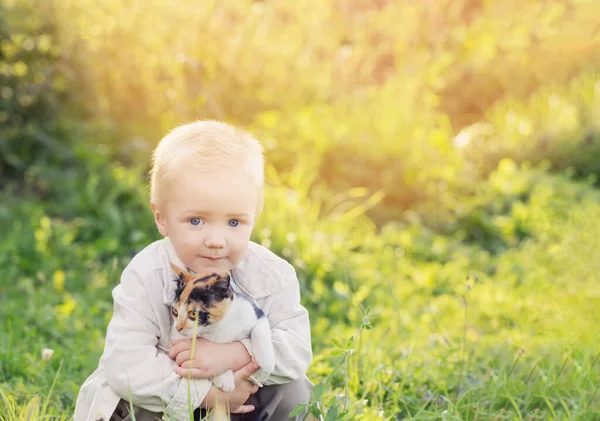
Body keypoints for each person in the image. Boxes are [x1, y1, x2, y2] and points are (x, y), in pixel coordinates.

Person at [74, 121, 314, 421]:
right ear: (161, 218)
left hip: (243, 397)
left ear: (255, 215)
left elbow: (297, 350)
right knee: (131, 405)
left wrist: (239, 352)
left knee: (293, 391)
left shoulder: (273, 275)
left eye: (235, 222)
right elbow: (125, 365)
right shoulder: (146, 275)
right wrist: (207, 395)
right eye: (196, 221)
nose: (216, 241)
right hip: (166, 400)